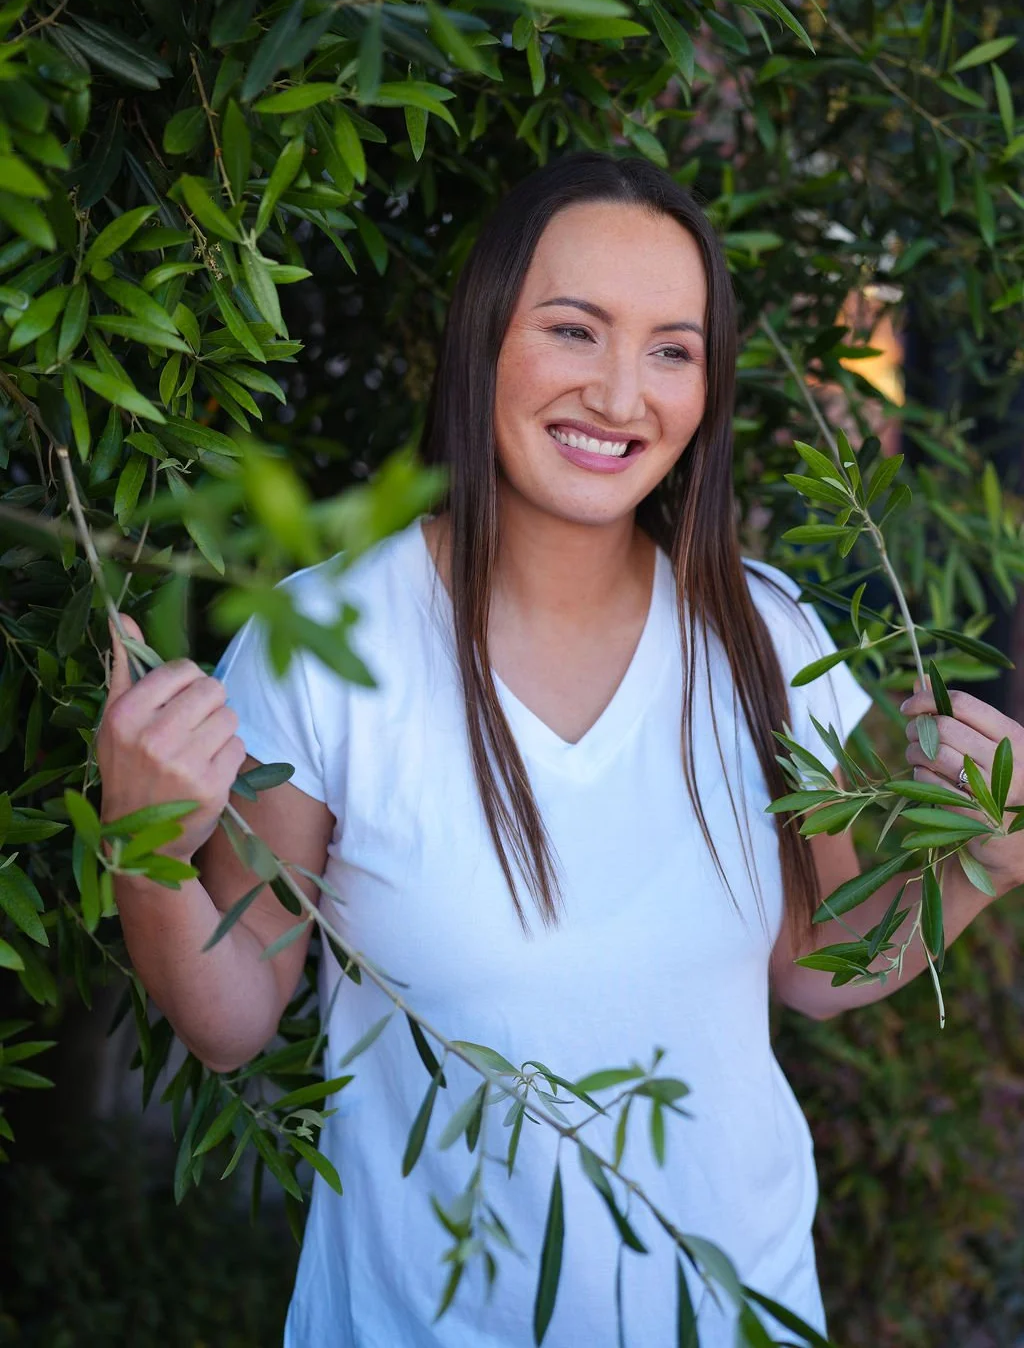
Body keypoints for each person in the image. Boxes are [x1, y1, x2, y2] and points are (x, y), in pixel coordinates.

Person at [97, 153, 1024, 1348]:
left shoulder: (767, 636)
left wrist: (978, 866)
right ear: (485, 336)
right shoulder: (330, 643)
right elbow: (232, 1017)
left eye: (672, 349)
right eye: (574, 331)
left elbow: (813, 959)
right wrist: (143, 846)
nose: (622, 395)